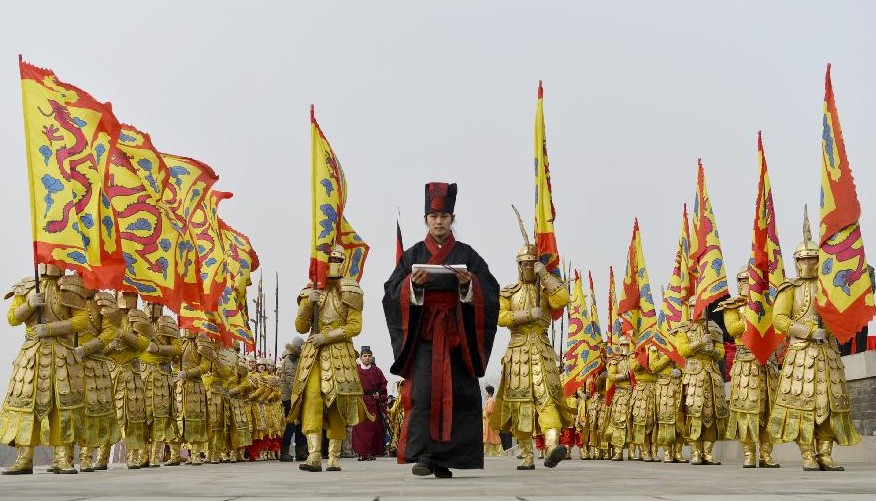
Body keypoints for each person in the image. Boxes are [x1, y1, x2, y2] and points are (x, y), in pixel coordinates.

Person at [383, 182, 500, 478]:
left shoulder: (467, 254)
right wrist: (413, 286)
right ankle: (424, 456)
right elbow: (391, 292)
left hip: (458, 334)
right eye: (433, 216)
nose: (439, 221)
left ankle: (445, 459)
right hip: (423, 335)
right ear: (426, 219)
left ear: (452, 218)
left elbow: (490, 289)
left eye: (444, 216)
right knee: (422, 393)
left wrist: (467, 284)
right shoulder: (412, 254)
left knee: (459, 395)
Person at [768, 216, 861, 470]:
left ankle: (825, 453)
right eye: (804, 259)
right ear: (796, 262)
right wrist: (807, 331)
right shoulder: (790, 288)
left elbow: (840, 314)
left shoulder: (828, 287)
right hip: (800, 355)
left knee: (830, 404)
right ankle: (808, 454)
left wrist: (831, 327)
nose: (809, 263)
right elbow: (779, 319)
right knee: (803, 406)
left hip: (828, 354)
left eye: (813, 258)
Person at [490, 242, 572, 470]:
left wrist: (545, 275)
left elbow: (563, 299)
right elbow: (500, 317)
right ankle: (526, 456)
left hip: (542, 350)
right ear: (518, 265)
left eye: (531, 263)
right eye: (523, 263)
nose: (527, 267)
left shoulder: (546, 290)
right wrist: (527, 314)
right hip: (517, 352)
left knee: (548, 400)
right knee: (519, 404)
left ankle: (552, 445)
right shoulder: (508, 292)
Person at [0, 265, 87, 475]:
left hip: (61, 353)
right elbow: (12, 318)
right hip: (31, 354)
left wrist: (50, 328)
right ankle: (24, 458)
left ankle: (61, 458)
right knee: (25, 405)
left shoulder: (71, 286)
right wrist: (29, 304)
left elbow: (81, 320)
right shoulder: (28, 285)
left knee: (62, 406)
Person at [291, 244, 370, 472]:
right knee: (312, 396)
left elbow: (355, 327)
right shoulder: (310, 290)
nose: (333, 263)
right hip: (313, 354)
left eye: (337, 259)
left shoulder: (351, 290)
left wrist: (327, 337)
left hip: (339, 352)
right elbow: (300, 326)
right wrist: (307, 305)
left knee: (338, 402)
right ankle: (314, 454)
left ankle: (334, 456)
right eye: (329, 259)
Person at [719, 266, 780, 468]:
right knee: (746, 409)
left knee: (768, 410)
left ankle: (766, 454)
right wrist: (752, 317)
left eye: (749, 281)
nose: (745, 285)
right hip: (744, 361)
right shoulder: (732, 306)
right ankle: (748, 453)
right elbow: (732, 328)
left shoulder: (768, 303)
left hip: (766, 361)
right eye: (742, 281)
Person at [678, 308, 728, 465]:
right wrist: (700, 343)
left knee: (711, 414)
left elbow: (721, 351)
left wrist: (713, 351)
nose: (697, 310)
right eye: (692, 306)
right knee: (693, 413)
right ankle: (695, 452)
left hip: (712, 375)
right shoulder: (684, 328)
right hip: (693, 375)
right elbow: (683, 350)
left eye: (699, 306)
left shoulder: (713, 326)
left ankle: (707, 452)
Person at [140, 304, 181, 467]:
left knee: (161, 416)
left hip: (161, 375)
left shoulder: (168, 323)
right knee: (141, 416)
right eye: (148, 304)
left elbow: (177, 349)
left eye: (154, 304)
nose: (151, 308)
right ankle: (142, 454)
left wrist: (158, 348)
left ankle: (155, 455)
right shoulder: (138, 321)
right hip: (141, 374)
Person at [170, 328, 210, 466]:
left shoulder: (202, 341)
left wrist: (189, 373)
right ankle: (175, 455)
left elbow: (206, 366)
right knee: (175, 419)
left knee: (195, 419)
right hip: (177, 385)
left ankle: (195, 454)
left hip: (194, 386)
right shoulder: (178, 341)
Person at [353, 346, 388, 461]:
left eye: (369, 356)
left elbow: (383, 386)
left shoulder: (376, 371)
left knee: (373, 428)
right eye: (365, 356)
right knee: (360, 428)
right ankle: (362, 453)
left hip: (373, 402)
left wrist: (379, 395)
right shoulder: (355, 370)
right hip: (360, 402)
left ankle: (371, 452)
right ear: (360, 357)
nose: (367, 358)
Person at [279, 337, 305, 461]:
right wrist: (298, 393)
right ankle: (284, 452)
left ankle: (300, 451)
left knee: (300, 425)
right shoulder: (290, 360)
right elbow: (291, 380)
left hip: (297, 396)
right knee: (290, 425)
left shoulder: (298, 359)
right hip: (290, 397)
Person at [482, 385, 503, 457]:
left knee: (490, 436)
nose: (485, 393)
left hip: (489, 421)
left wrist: (483, 414)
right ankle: (494, 452)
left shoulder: (490, 400)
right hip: (491, 421)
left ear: (490, 393)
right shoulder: (493, 400)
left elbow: (489, 411)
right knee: (492, 436)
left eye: (486, 392)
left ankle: (491, 452)